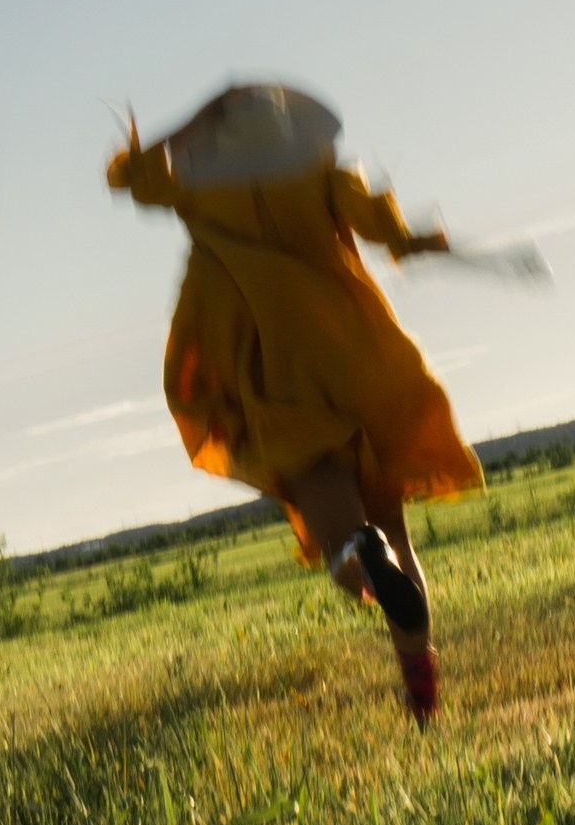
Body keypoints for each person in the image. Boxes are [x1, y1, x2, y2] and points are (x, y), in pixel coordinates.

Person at [106, 78, 482, 722]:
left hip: (277, 379)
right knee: (396, 526)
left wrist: (196, 118)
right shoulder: (327, 178)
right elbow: (390, 233)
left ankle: (360, 560)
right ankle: (420, 684)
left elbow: (127, 177)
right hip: (359, 360)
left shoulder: (198, 192)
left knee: (339, 532)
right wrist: (424, 242)